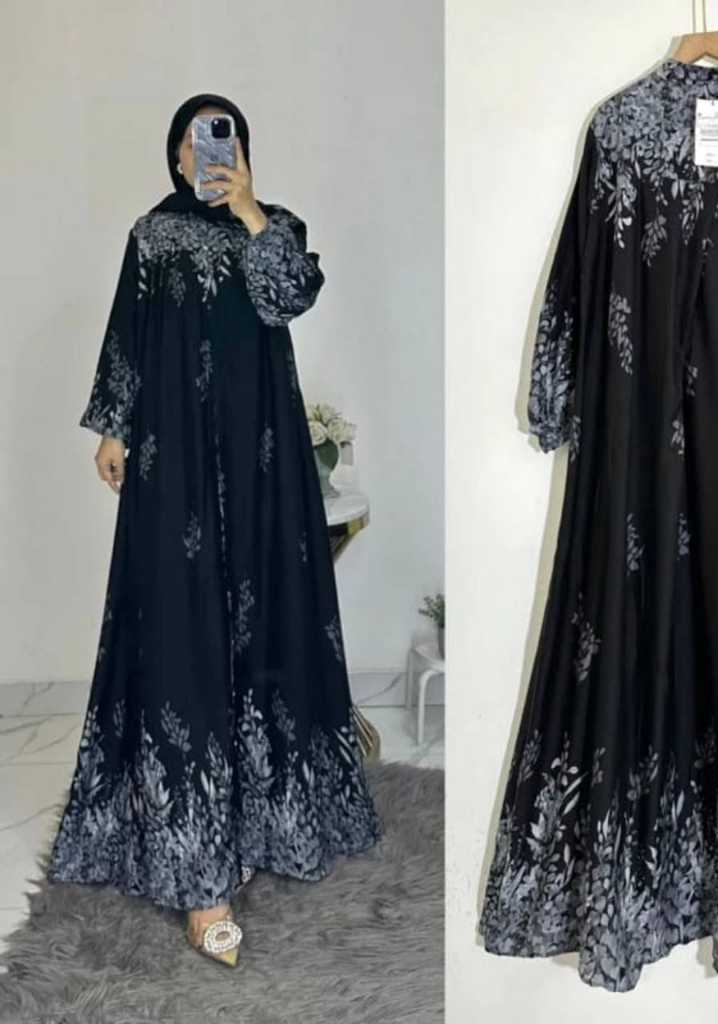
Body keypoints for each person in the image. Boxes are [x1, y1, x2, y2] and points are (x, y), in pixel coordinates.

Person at [47, 92, 382, 966]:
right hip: (176, 461)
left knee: (267, 629)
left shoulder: (275, 226)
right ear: (175, 154)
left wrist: (250, 210)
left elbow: (291, 296)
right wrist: (114, 428)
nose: (209, 153)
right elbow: (128, 334)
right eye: (196, 141)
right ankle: (199, 871)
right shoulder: (151, 236)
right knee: (181, 631)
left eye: (223, 138)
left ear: (243, 150)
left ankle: (269, 820)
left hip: (263, 459)